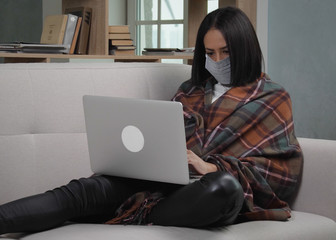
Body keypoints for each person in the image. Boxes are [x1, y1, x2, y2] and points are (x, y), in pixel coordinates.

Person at [0, 7, 303, 235]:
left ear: (245, 49)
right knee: (82, 191)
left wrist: (211, 166)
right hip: (157, 183)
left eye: (226, 52)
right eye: (210, 53)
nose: (218, 61)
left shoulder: (272, 98)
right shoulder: (190, 91)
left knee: (222, 188)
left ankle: (138, 213)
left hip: (206, 192)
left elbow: (280, 175)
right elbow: (161, 139)